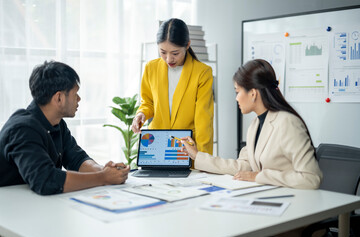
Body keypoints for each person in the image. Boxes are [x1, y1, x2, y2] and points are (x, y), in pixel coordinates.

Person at [181, 59, 323, 189]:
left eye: (238, 91)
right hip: (267, 197)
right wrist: (197, 156)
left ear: (253, 93)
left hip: (292, 203)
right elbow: (242, 166)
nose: (236, 98)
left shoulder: (287, 122)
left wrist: (259, 176)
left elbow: (310, 178)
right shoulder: (255, 125)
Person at [0, 61, 130, 195]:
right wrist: (103, 178)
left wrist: (102, 171)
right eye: (75, 94)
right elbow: (46, 181)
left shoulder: (57, 123)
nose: (79, 99)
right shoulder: (22, 128)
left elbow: (76, 159)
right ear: (59, 98)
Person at [131, 18, 214, 154]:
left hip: (187, 147)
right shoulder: (151, 68)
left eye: (175, 53)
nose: (169, 59)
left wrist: (203, 158)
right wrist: (141, 113)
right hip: (156, 143)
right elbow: (148, 102)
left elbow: (204, 119)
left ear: (187, 45)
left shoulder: (202, 72)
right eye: (163, 52)